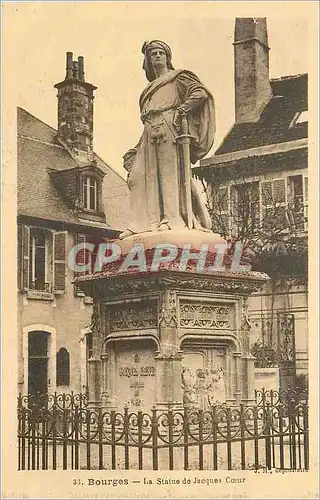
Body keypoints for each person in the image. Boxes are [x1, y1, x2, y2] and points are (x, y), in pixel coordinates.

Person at [120, 40, 215, 238]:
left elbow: (200, 93)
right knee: (138, 177)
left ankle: (171, 219)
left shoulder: (177, 78)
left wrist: (182, 110)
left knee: (168, 175)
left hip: (168, 125)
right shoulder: (148, 90)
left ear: (167, 57)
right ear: (147, 59)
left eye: (160, 53)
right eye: (153, 53)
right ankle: (141, 223)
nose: (157, 56)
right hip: (148, 132)